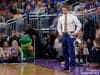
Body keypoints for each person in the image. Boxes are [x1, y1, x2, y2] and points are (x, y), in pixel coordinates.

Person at [57, 4, 82, 72]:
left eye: (64, 9)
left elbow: (79, 25)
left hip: (71, 34)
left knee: (71, 51)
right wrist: (60, 33)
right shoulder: (60, 17)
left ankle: (72, 66)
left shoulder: (73, 17)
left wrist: (75, 32)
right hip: (64, 35)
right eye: (62, 10)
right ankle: (66, 66)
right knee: (64, 51)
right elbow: (58, 27)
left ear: (67, 9)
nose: (63, 11)